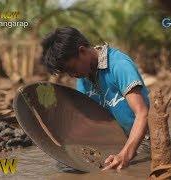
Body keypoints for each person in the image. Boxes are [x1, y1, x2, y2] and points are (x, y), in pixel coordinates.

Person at [40, 27, 150, 170]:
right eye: (68, 72)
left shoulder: (119, 66)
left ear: (82, 51)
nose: (72, 75)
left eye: (72, 68)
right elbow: (86, 120)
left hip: (143, 142)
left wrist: (125, 155)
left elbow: (142, 113)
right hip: (113, 141)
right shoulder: (83, 76)